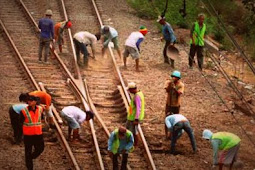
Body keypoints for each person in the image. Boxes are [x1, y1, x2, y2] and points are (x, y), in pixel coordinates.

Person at [20, 95, 44, 170]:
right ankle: (29, 167)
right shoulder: (24, 111)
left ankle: (31, 157)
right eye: (28, 100)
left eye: (31, 100)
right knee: (28, 152)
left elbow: (41, 119)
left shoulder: (40, 109)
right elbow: (20, 122)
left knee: (40, 149)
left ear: (35, 102)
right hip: (28, 135)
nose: (29, 102)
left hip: (38, 134)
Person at [164, 70, 184, 138]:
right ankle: (166, 134)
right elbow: (167, 90)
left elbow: (179, 93)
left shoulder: (181, 85)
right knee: (166, 119)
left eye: (175, 77)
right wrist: (170, 85)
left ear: (178, 78)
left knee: (175, 120)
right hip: (168, 104)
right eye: (173, 77)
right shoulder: (169, 83)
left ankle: (172, 134)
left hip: (176, 105)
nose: (174, 78)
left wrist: (175, 88)